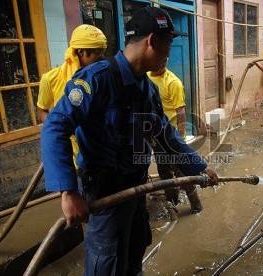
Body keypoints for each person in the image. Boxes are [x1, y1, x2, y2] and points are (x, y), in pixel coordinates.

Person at [40, 7, 219, 276]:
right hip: (106, 195)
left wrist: (199, 167)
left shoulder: (147, 90)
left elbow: (164, 134)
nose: (169, 52)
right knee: (107, 264)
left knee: (134, 255)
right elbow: (54, 126)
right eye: (168, 43)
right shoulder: (97, 80)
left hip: (135, 190)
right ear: (151, 41)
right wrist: (68, 191)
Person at [37, 24, 107, 166]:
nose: (101, 57)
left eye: (102, 52)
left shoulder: (103, 77)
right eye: (97, 52)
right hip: (70, 155)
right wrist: (60, 127)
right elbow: (42, 110)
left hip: (99, 152)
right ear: (80, 52)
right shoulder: (50, 79)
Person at [148, 65, 203, 214]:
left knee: (181, 171)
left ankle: (196, 206)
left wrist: (181, 138)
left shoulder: (173, 82)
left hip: (170, 136)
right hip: (155, 136)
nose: (162, 62)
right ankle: (172, 200)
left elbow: (180, 111)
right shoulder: (146, 77)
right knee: (164, 170)